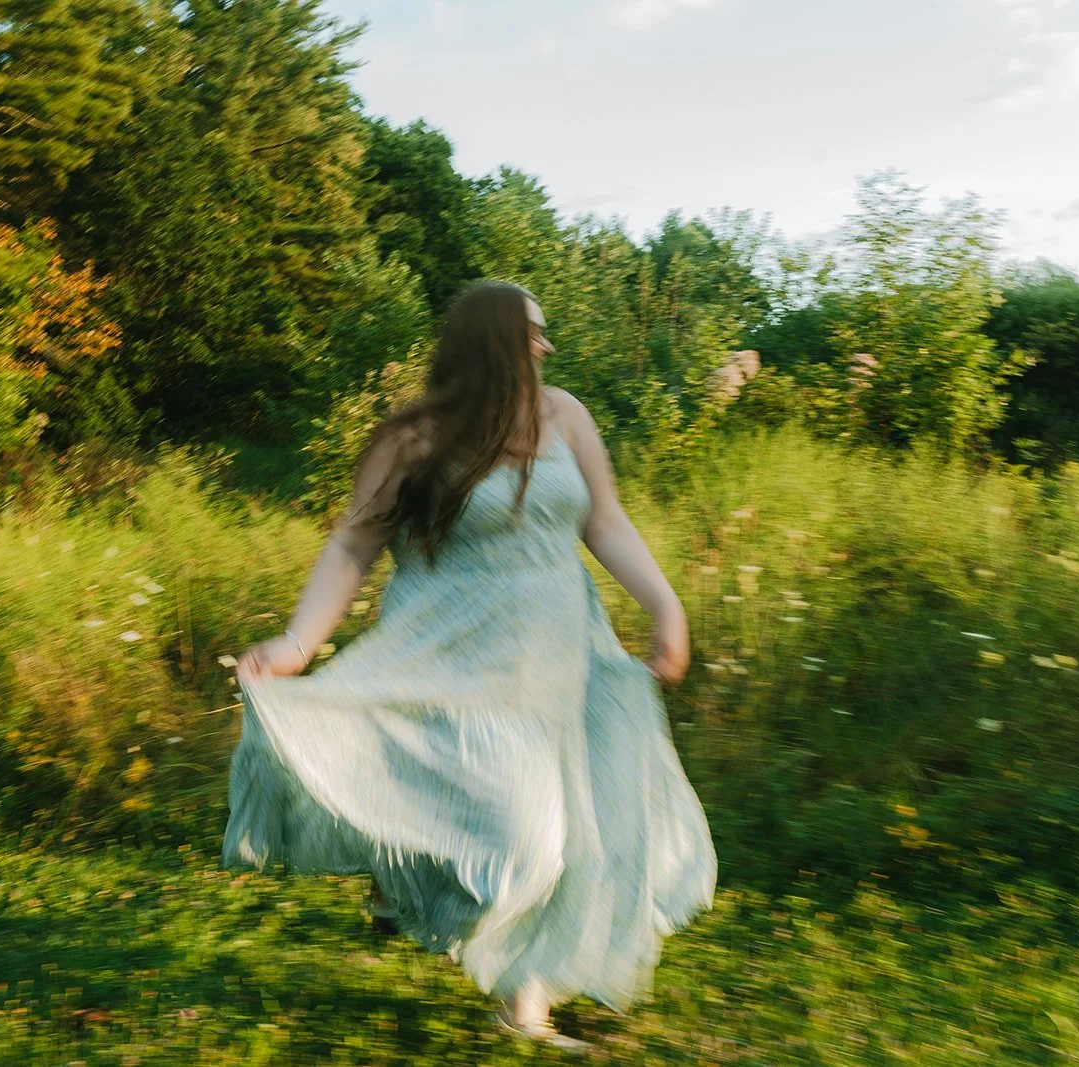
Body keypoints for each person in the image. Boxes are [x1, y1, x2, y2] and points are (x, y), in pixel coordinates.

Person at [221, 280, 718, 1051]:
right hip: (451, 652)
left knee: (572, 834)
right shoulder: (416, 436)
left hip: (560, 655)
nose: (547, 347)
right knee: (522, 835)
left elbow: (606, 521)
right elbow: (354, 542)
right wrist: (295, 644)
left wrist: (666, 608)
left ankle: (528, 1009)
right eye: (532, 334)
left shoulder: (567, 417)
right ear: (489, 343)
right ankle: (405, 874)